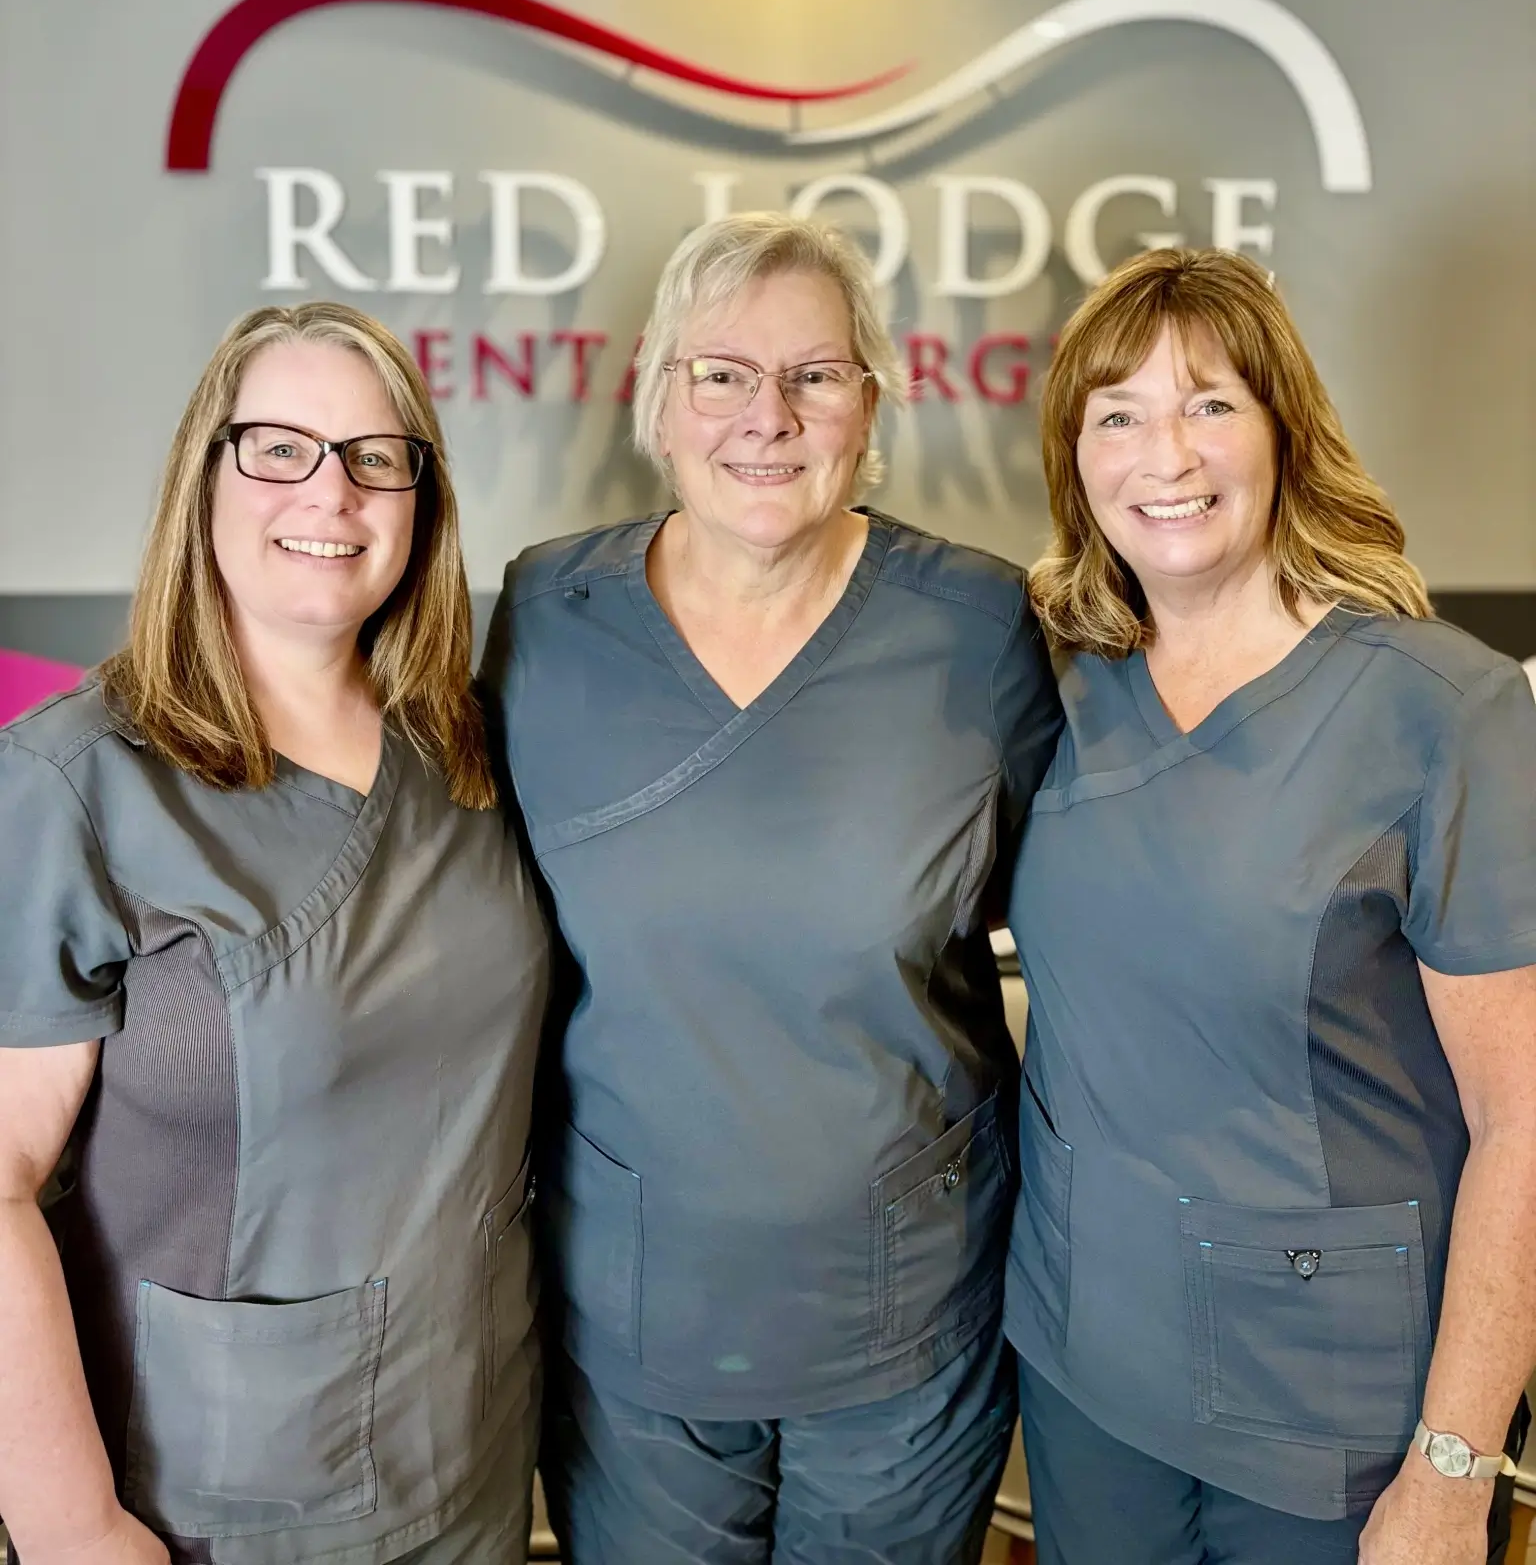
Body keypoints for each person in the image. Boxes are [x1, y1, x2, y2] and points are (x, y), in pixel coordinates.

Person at [480, 213, 1062, 1564]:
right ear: (661, 402)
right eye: (724, 373)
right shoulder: (547, 621)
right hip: (638, 1319)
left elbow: (1084, 901)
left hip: (902, 1315)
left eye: (817, 374)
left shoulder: (979, 631)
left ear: (872, 406)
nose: (770, 415)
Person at [1004, 247, 1536, 1565]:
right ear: (1076, 459)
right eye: (1116, 414)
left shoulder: (1439, 709)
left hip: (1339, 1417)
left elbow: (1527, 1118)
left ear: (1284, 430)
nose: (1163, 455)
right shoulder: (1050, 681)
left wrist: (1455, 1466)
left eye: (1210, 404)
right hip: (1090, 1375)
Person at [0, 303, 548, 1565]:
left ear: (421, 497)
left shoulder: (464, 751)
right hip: (208, 1495)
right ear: (205, 475)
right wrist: (74, 1527)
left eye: (375, 455)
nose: (333, 491)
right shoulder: (75, 783)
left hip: (470, 1443)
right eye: (279, 447)